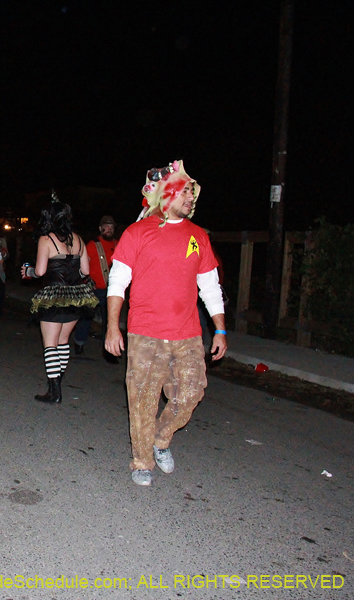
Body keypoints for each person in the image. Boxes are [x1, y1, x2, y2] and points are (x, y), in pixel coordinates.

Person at [104, 160, 227, 487]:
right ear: (167, 194)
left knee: (191, 392)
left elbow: (210, 286)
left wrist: (221, 328)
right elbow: (117, 282)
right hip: (145, 333)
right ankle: (142, 459)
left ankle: (161, 437)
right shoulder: (137, 233)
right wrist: (112, 326)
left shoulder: (199, 235)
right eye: (185, 192)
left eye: (192, 193)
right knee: (142, 398)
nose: (191, 198)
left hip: (187, 334)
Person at [21, 199, 97, 404]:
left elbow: (40, 271)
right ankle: (56, 383)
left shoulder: (46, 240)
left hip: (54, 297)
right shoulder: (79, 239)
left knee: (50, 344)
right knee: (63, 343)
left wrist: (27, 271)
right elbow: (86, 272)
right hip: (75, 297)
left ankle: (54, 391)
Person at [74, 215, 119, 362]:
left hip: (111, 291)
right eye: (106, 227)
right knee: (86, 318)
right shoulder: (92, 245)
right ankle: (79, 342)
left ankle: (109, 351)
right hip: (93, 289)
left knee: (110, 321)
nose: (109, 229)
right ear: (100, 229)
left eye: (112, 227)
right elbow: (83, 264)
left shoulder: (118, 245)